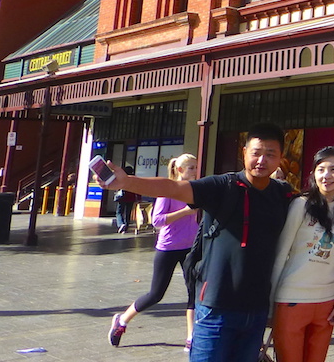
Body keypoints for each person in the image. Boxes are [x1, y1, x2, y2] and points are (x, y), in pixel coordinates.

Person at [100, 124, 294, 362]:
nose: (262, 160)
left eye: (271, 154)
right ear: (244, 152)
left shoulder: (283, 195)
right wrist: (127, 182)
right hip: (216, 307)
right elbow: (172, 187)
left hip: (256, 311)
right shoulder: (223, 186)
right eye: (256, 152)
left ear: (280, 158)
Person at [108, 154, 200, 350]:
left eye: (196, 167)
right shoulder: (168, 191)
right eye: (191, 167)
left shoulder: (194, 191)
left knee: (194, 291)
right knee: (156, 294)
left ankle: (191, 337)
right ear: (180, 170)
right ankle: (122, 320)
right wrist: (186, 211)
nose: (195, 171)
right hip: (168, 247)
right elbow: (156, 220)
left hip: (190, 247)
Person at [270, 146, 334, 362]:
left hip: (326, 305)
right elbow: (281, 253)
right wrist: (269, 305)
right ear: (313, 173)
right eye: (321, 169)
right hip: (291, 301)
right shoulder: (301, 205)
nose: (327, 176)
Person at [115, 165, 139, 234]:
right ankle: (126, 227)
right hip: (131, 198)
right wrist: (138, 198)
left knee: (119, 212)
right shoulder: (134, 179)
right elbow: (137, 188)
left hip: (122, 197)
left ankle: (121, 224)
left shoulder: (123, 178)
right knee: (128, 213)